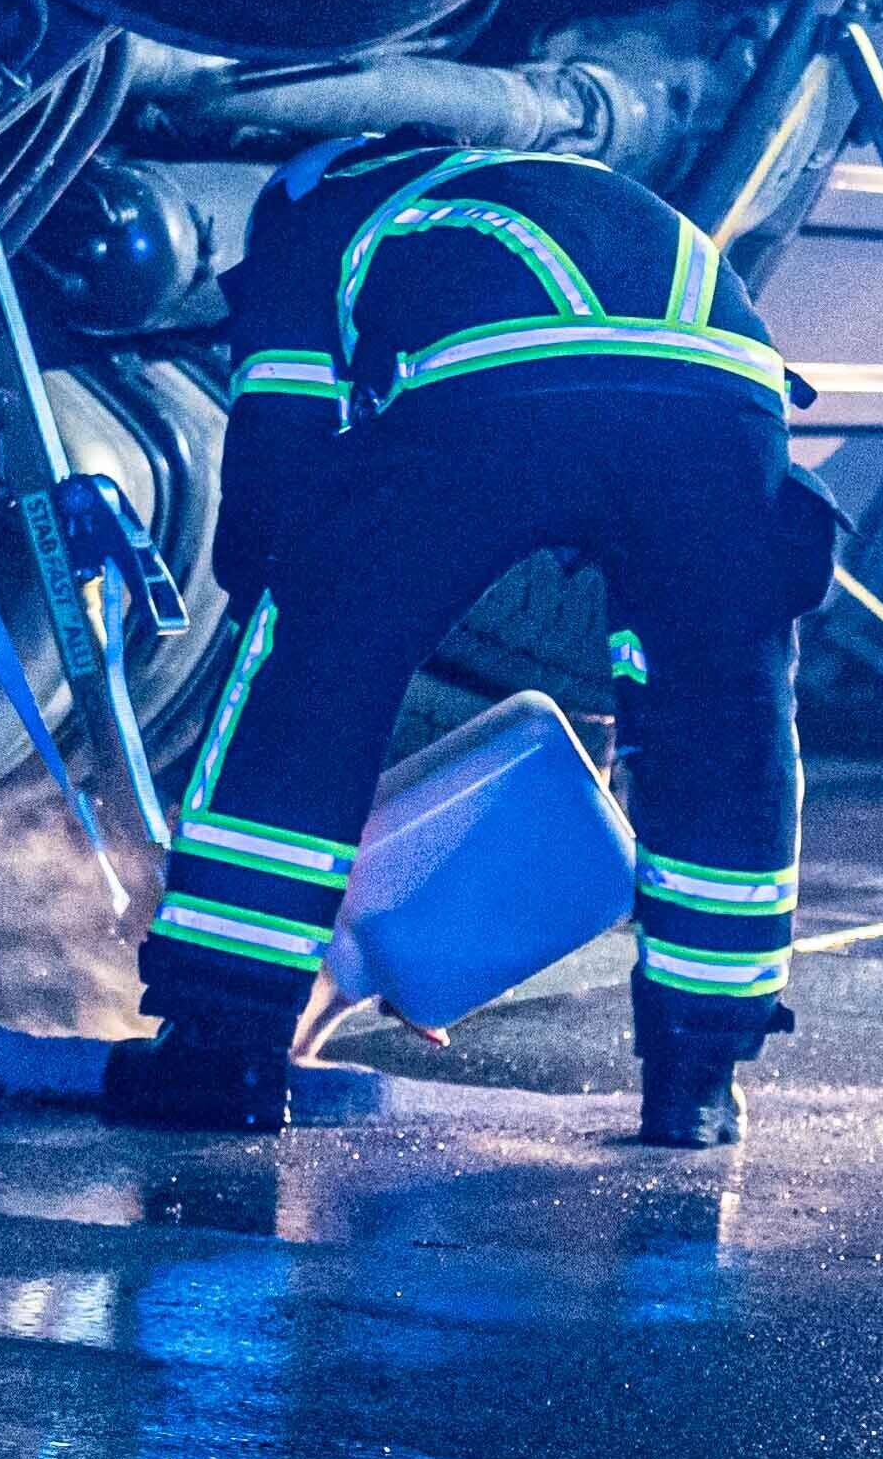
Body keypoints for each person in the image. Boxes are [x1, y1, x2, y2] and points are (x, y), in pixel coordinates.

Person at [106, 135, 843, 1149]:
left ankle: (220, 1044)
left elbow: (277, 470)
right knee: (722, 720)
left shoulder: (306, 216)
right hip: (726, 396)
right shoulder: (526, 189)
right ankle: (700, 1082)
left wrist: (270, 624)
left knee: (320, 667)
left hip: (509, 372)